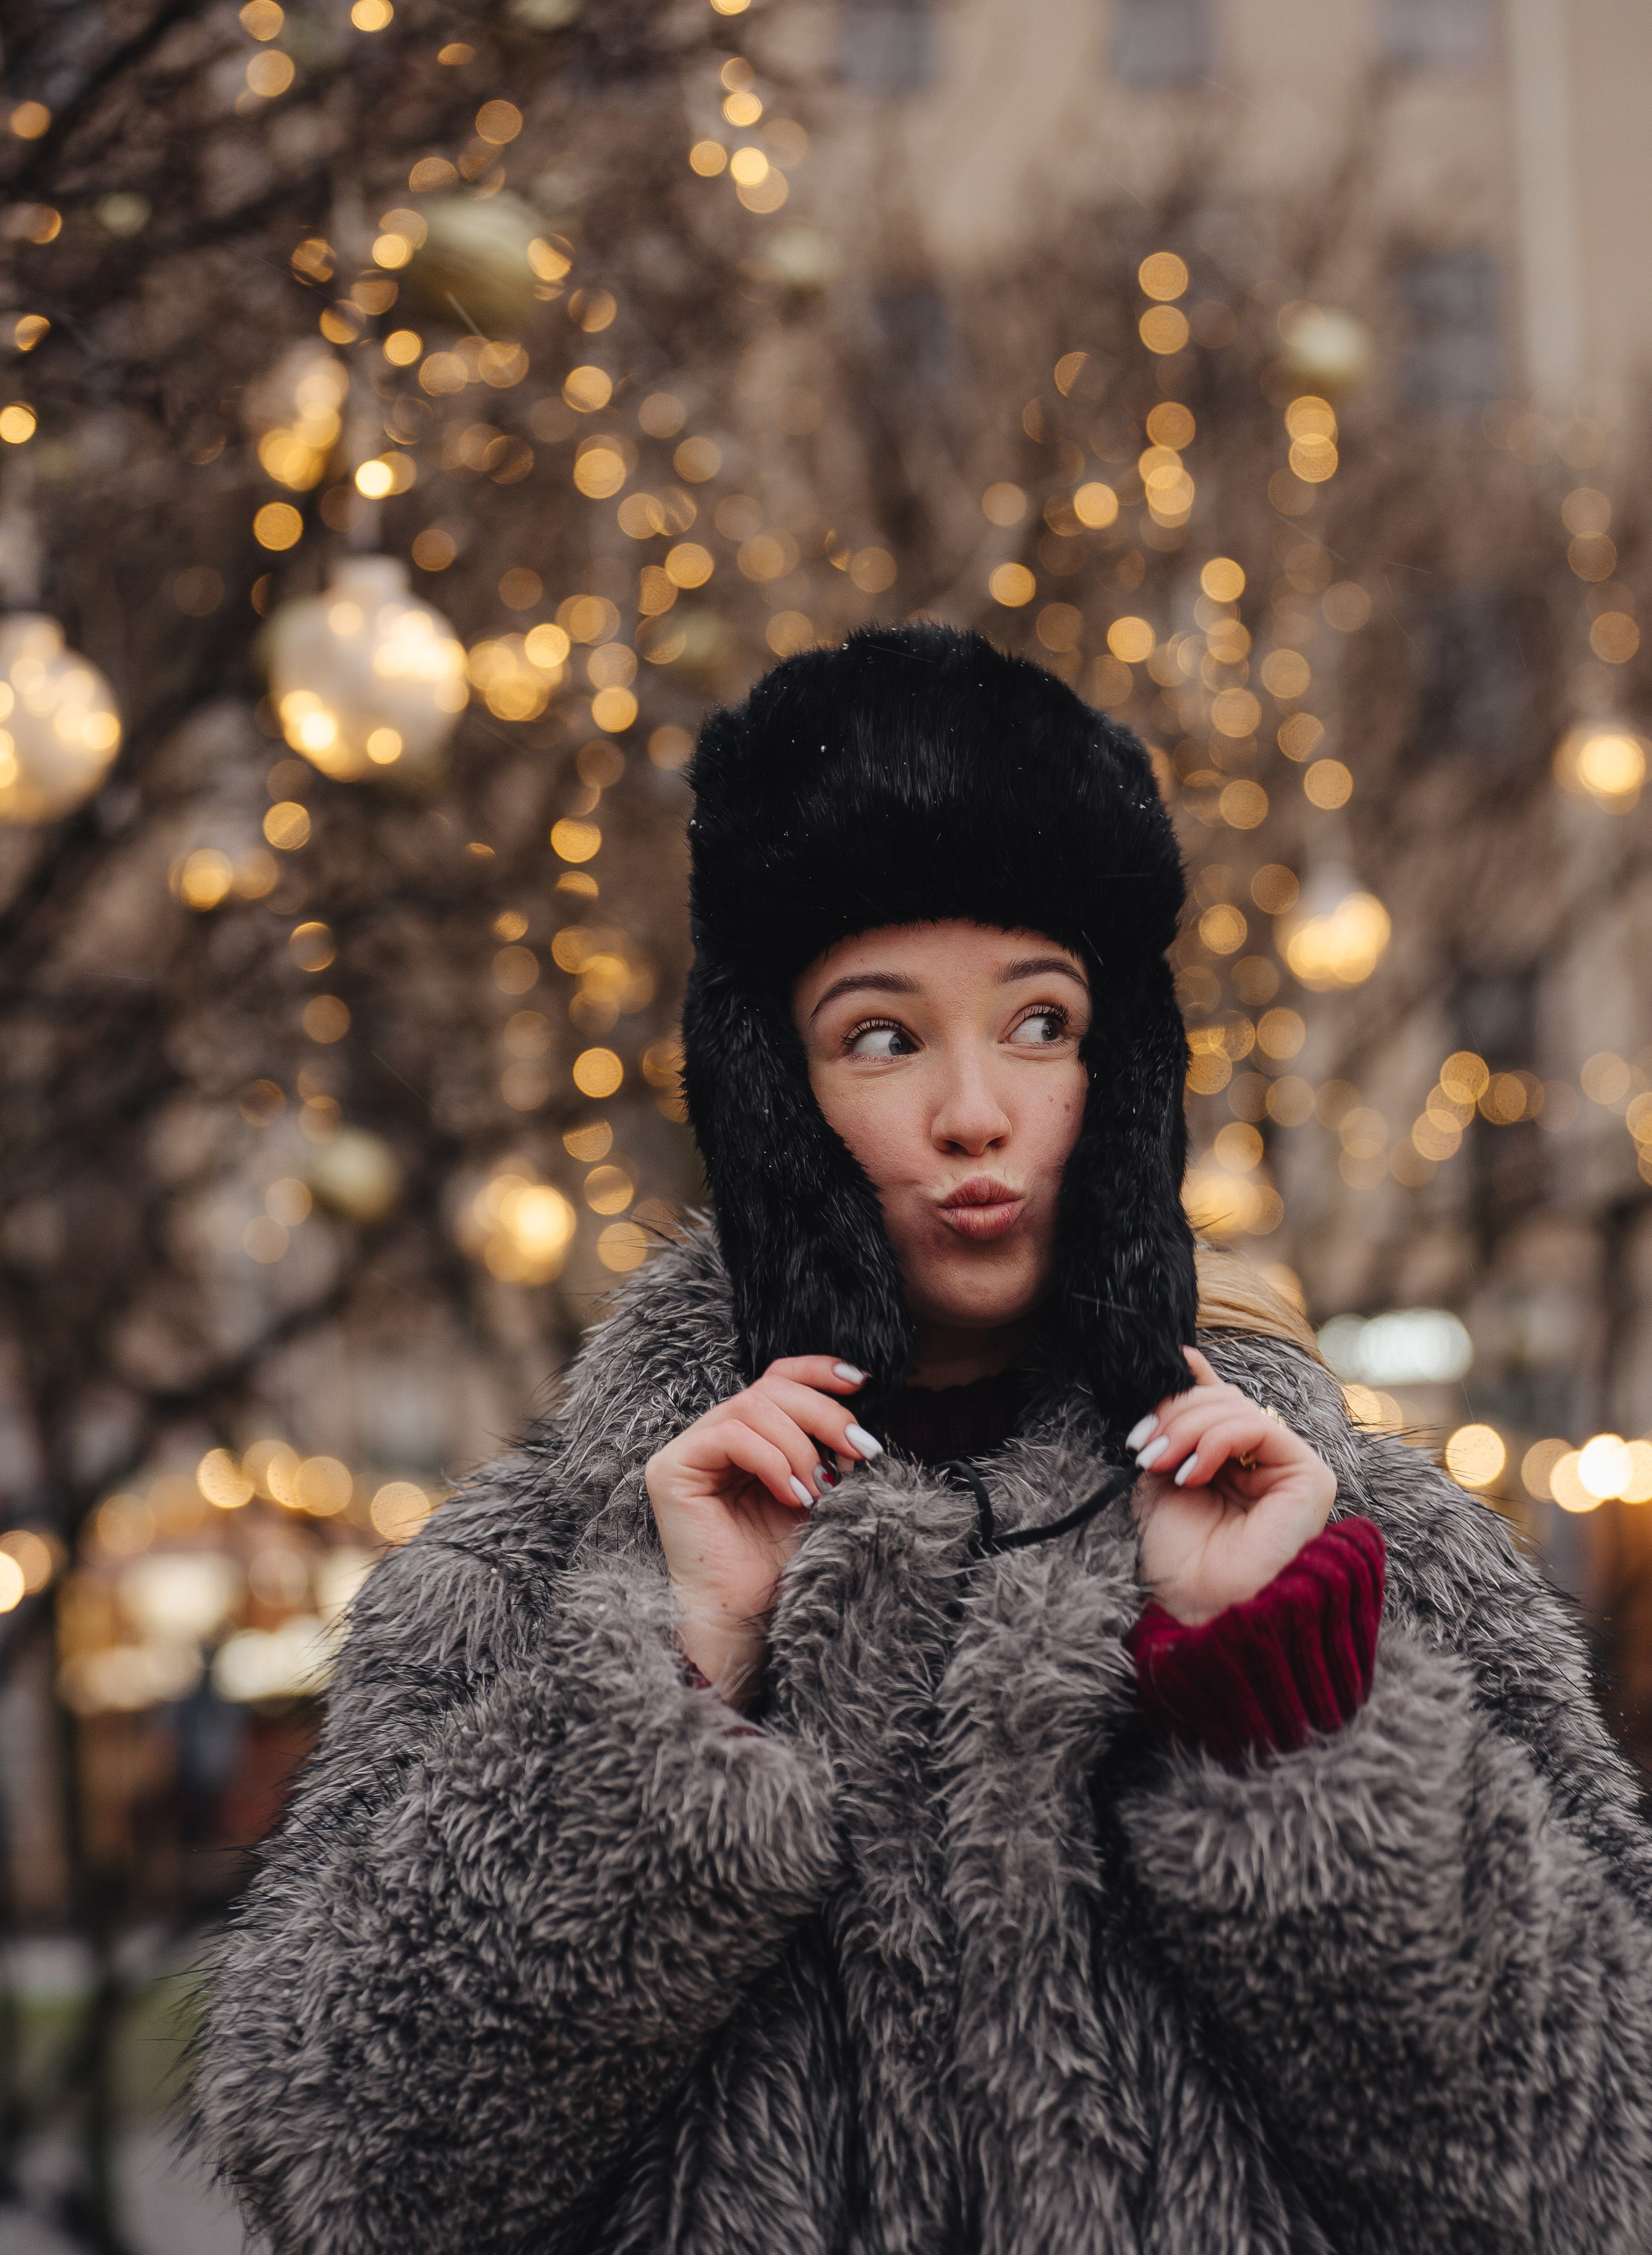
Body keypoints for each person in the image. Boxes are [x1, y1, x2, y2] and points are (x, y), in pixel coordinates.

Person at [197, 625, 1652, 2254]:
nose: (977, 1109)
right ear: (772, 1095)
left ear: (1121, 1071)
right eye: (882, 1037)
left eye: (1040, 1022)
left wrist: (1280, 1701)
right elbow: (348, 2173)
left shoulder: (1362, 1544)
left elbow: (1583, 2175)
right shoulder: (532, 1572)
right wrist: (668, 1686)